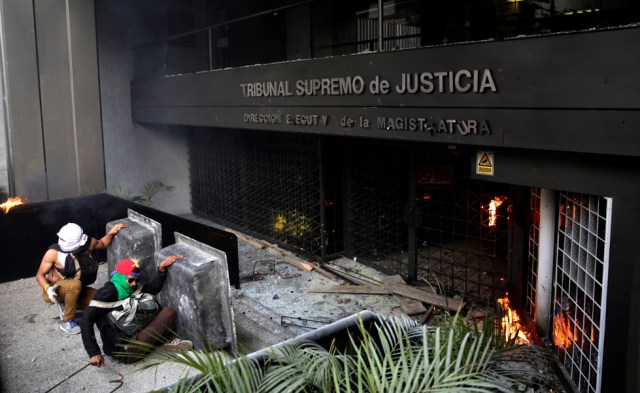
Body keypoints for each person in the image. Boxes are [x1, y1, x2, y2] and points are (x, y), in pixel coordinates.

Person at [81, 257, 193, 367]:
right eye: (130, 280)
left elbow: (152, 288)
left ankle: (167, 340)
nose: (134, 284)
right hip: (126, 350)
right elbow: (86, 320)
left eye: (136, 280)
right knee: (168, 313)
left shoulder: (130, 288)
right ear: (120, 277)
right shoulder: (107, 293)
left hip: (134, 333)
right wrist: (93, 352)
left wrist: (161, 268)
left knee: (150, 302)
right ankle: (166, 339)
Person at [35, 222, 128, 334]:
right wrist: (48, 289)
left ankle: (70, 303)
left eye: (65, 240)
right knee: (75, 285)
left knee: (105, 300)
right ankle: (67, 321)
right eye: (61, 238)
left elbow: (102, 243)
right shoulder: (53, 253)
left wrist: (111, 233)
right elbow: (39, 275)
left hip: (78, 291)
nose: (61, 242)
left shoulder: (88, 243)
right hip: (55, 291)